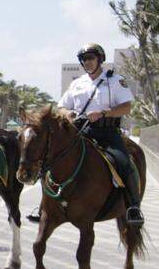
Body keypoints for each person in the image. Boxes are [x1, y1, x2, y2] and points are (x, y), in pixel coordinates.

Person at [58, 43, 144, 226]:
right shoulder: (77, 83)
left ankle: (133, 206)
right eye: (83, 59)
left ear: (100, 59)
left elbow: (127, 107)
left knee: (123, 162)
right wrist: (69, 114)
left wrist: (104, 113)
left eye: (90, 58)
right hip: (82, 132)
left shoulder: (115, 81)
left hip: (108, 133)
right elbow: (62, 106)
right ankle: (48, 205)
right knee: (55, 157)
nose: (86, 62)